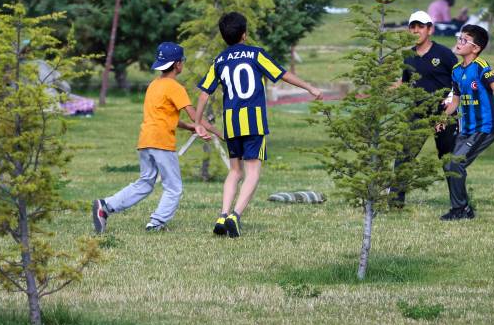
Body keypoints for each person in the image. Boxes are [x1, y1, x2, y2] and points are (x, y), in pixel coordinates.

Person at [193, 12, 323, 238]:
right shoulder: (255, 54)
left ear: (224, 37)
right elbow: (281, 74)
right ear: (245, 34)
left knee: (235, 171)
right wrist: (310, 87)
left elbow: (204, 94)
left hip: (232, 122)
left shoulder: (219, 61)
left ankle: (222, 215)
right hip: (253, 121)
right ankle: (235, 215)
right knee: (252, 172)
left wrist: (197, 123)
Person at [91, 42, 218, 234]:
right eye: (182, 61)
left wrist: (190, 127)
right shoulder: (175, 87)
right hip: (162, 142)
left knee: (145, 182)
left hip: (146, 141)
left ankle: (105, 206)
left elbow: (166, 117)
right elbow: (195, 115)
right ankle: (157, 223)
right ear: (177, 64)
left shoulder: (154, 85)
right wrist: (215, 132)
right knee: (174, 187)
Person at [440, 24, 494, 220]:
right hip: (466, 128)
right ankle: (461, 209)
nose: (458, 43)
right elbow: (455, 100)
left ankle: (461, 210)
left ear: (475, 48)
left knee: (456, 163)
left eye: (464, 40)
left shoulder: (481, 67)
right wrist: (443, 118)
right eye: (458, 39)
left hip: (485, 127)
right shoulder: (455, 71)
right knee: (450, 165)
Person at [390, 10, 458, 208]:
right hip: (417, 112)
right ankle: (395, 203)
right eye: (413, 27)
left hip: (444, 113)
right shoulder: (408, 56)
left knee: (448, 159)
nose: (416, 30)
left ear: (430, 29)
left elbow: (458, 79)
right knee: (404, 155)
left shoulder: (444, 54)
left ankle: (458, 204)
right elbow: (405, 82)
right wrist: (383, 89)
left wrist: (450, 103)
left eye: (421, 27)